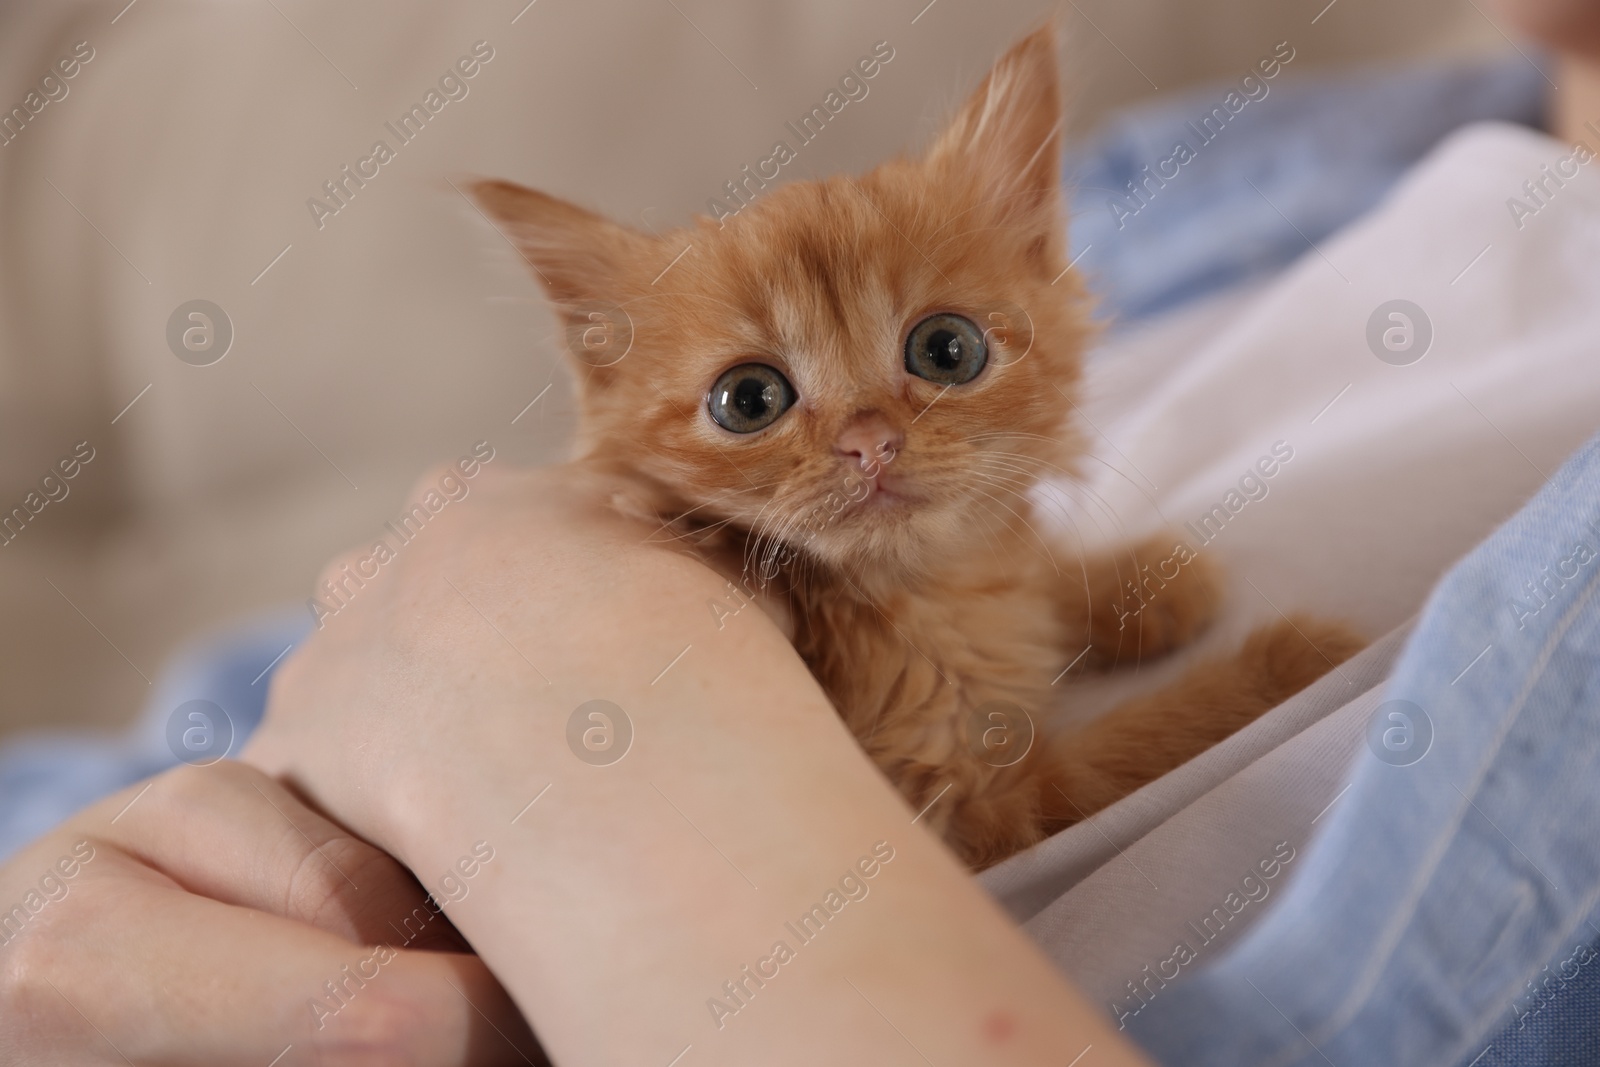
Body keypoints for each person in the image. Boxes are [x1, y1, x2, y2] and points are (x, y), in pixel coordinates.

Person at [6, 2, 1600, 1064]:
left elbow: (988, 817)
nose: (867, 439)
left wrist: (595, 769)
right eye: (757, 397)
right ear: (603, 374)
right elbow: (160, 759)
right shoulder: (1229, 183)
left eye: (945, 359)